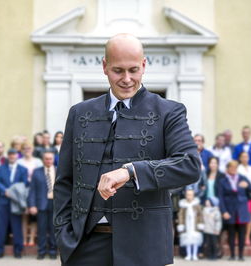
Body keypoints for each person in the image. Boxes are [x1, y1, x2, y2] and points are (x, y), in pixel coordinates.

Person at [53, 33, 201, 266]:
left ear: (144, 65)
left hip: (145, 248)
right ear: (104, 66)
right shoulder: (79, 113)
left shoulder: (169, 112)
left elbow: (189, 165)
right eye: (118, 70)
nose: (127, 79)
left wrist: (131, 171)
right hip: (84, 246)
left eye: (133, 70)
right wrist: (63, 234)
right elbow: (65, 180)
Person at [218, 160, 251, 261]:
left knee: (242, 233)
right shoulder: (223, 181)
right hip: (230, 210)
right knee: (231, 233)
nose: (233, 170)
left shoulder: (242, 178)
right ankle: (232, 255)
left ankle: (241, 255)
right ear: (228, 169)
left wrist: (247, 185)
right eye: (231, 168)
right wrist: (224, 211)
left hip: (242, 209)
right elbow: (221, 198)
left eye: (235, 168)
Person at [0, 148, 28, 259]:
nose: (12, 156)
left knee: (16, 226)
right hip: (3, 201)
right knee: (1, 226)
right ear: (8, 156)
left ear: (17, 156)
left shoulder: (23, 169)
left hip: (16, 202)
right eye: (10, 155)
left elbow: (24, 184)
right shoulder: (1, 168)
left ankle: (18, 250)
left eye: (14, 155)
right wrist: (5, 191)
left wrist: (12, 192)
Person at [28, 151, 58, 260]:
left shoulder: (58, 171)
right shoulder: (37, 172)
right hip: (41, 205)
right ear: (43, 159)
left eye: (50, 158)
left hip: (55, 204)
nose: (48, 161)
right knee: (41, 229)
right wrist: (32, 205)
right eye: (46, 158)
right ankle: (41, 251)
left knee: (53, 229)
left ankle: (53, 251)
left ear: (53, 159)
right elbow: (32, 191)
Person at [17, 142, 43, 247]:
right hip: (23, 190)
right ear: (22, 150)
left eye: (29, 148)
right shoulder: (19, 162)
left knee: (33, 216)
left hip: (35, 191)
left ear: (32, 150)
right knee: (24, 215)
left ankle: (31, 239)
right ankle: (24, 239)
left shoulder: (38, 161)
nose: (27, 150)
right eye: (25, 148)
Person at [237, 152, 251, 246]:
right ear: (240, 158)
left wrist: (250, 189)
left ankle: (248, 237)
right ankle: (238, 237)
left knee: (250, 218)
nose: (245, 158)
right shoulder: (238, 168)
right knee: (239, 218)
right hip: (240, 196)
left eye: (247, 156)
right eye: (243, 156)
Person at [177, 189, 204, 261]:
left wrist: (200, 223)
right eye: (188, 195)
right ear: (185, 195)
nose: (189, 196)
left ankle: (194, 254)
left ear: (193, 196)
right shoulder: (183, 205)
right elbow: (181, 215)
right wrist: (181, 224)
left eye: (191, 195)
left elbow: (200, 215)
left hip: (194, 225)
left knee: (195, 240)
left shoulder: (196, 204)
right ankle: (188, 254)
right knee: (187, 240)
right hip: (187, 225)